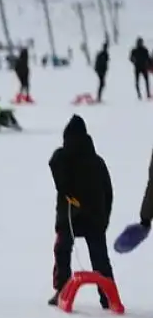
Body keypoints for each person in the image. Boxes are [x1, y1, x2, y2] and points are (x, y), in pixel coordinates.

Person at [48, 115, 114, 308]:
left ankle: (61, 289)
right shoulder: (97, 162)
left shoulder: (63, 158)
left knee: (62, 251)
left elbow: (55, 168)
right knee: (100, 258)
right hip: (94, 217)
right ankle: (108, 296)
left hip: (69, 217)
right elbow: (109, 192)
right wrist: (104, 218)